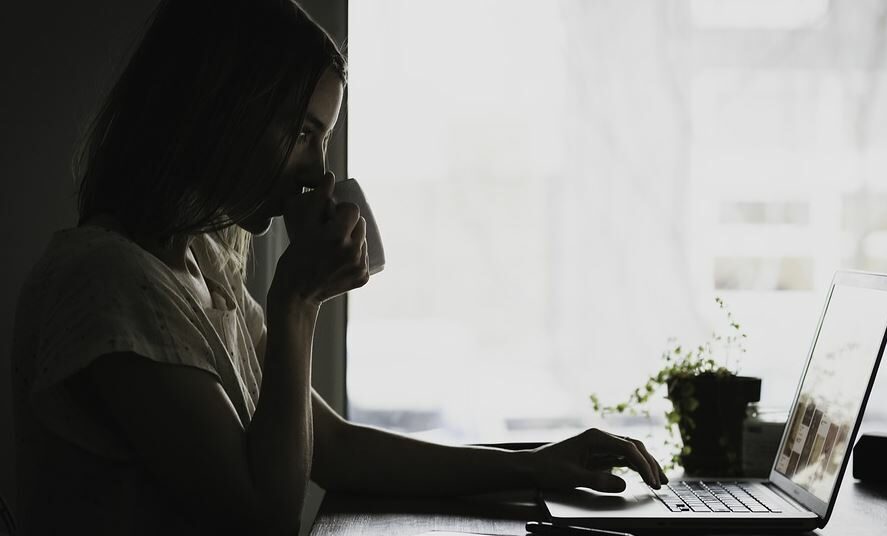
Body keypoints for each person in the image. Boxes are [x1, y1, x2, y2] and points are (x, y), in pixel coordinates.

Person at [11, 0, 666, 533]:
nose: (319, 170)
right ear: (217, 111)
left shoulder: (203, 268)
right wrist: (297, 302)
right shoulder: (106, 283)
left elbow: (336, 447)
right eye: (302, 131)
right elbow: (262, 517)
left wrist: (535, 465)